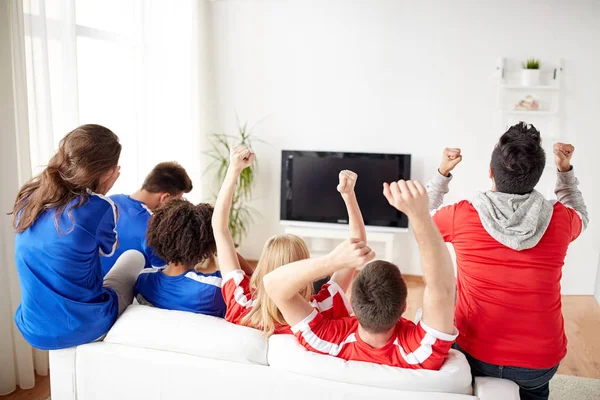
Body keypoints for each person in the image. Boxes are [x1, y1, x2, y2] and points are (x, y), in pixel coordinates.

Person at [426, 122, 588, 400]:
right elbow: (579, 212)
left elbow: (423, 217)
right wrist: (565, 171)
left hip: (475, 354)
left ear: (490, 172)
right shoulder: (560, 219)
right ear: (537, 177)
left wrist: (443, 172)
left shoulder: (461, 216)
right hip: (539, 362)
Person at [264, 179, 458, 370]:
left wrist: (332, 261)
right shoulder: (421, 353)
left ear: (353, 308)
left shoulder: (322, 340)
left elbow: (272, 284)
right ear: (403, 307)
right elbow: (441, 288)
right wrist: (420, 215)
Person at [13, 124, 145, 350]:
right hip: (87, 326)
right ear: (107, 172)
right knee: (134, 257)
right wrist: (102, 190)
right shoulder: (99, 207)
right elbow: (109, 249)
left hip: (34, 328)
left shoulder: (29, 198)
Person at [212, 146, 362, 335]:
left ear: (264, 265)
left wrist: (233, 170)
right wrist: (349, 196)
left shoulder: (240, 303)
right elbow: (357, 245)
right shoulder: (323, 309)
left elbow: (220, 229)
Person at [134, 199, 226, 317]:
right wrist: (221, 239)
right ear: (208, 244)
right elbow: (245, 278)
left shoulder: (143, 280)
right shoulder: (214, 289)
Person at [100, 162, 193, 276]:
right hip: (123, 292)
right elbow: (166, 278)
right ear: (165, 197)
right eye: (177, 200)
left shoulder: (110, 201)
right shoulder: (154, 229)